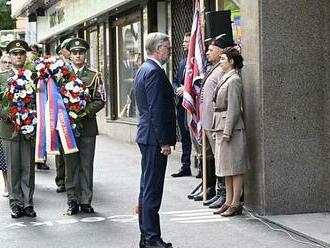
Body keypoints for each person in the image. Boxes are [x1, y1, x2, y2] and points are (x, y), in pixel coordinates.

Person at [134, 32, 175, 248]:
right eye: (167, 48)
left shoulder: (144, 69)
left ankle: (146, 236)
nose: (169, 51)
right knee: (152, 189)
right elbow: (156, 109)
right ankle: (151, 237)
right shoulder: (154, 72)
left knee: (146, 187)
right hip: (153, 138)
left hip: (147, 135)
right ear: (158, 49)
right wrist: (164, 142)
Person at [64, 38, 105, 215]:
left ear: (85, 55)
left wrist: (83, 112)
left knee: (86, 164)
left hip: (87, 125)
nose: (78, 55)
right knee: (71, 164)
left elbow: (101, 99)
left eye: (80, 52)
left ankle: (86, 200)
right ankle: (72, 200)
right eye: (74, 53)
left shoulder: (94, 75)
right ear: (70, 55)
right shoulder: (62, 75)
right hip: (68, 128)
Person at [0, 40, 36, 218]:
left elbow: (39, 99)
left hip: (29, 127)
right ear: (10, 56)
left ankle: (28, 203)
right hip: (9, 128)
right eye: (15, 54)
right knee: (13, 167)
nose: (18, 56)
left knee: (28, 166)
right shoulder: (2, 77)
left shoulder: (33, 75)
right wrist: (8, 115)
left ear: (25, 56)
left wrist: (32, 116)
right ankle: (15, 204)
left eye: (21, 53)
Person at [196, 34, 234, 207]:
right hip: (209, 121)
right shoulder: (214, 67)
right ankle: (219, 191)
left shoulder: (223, 70)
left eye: (211, 50)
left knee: (222, 160)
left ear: (220, 51)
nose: (207, 53)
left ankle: (224, 193)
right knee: (216, 159)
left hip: (217, 122)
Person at [212, 47, 249, 217]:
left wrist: (226, 131)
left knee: (235, 167)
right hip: (222, 126)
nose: (220, 62)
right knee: (226, 168)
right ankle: (228, 201)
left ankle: (235, 203)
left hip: (231, 128)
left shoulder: (234, 79)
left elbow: (234, 108)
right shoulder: (226, 77)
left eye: (223, 59)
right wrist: (216, 128)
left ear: (232, 62)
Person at [171, 32, 192, 178]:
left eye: (186, 41)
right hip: (181, 105)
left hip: (193, 106)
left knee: (195, 137)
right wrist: (177, 88)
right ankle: (185, 166)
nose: (183, 44)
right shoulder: (182, 62)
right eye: (183, 41)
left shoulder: (198, 62)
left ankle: (203, 168)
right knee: (184, 136)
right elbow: (175, 80)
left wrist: (187, 89)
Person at [54, 38, 73, 193]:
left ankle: (73, 178)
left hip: (73, 113)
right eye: (68, 48)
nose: (70, 51)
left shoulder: (74, 67)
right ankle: (61, 180)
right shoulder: (57, 67)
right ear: (61, 51)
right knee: (60, 149)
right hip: (59, 112)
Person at [0, 54, 12, 197]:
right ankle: (6, 184)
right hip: (3, 122)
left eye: (9, 62)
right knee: (3, 157)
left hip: (19, 121)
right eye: (4, 62)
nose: (7, 64)